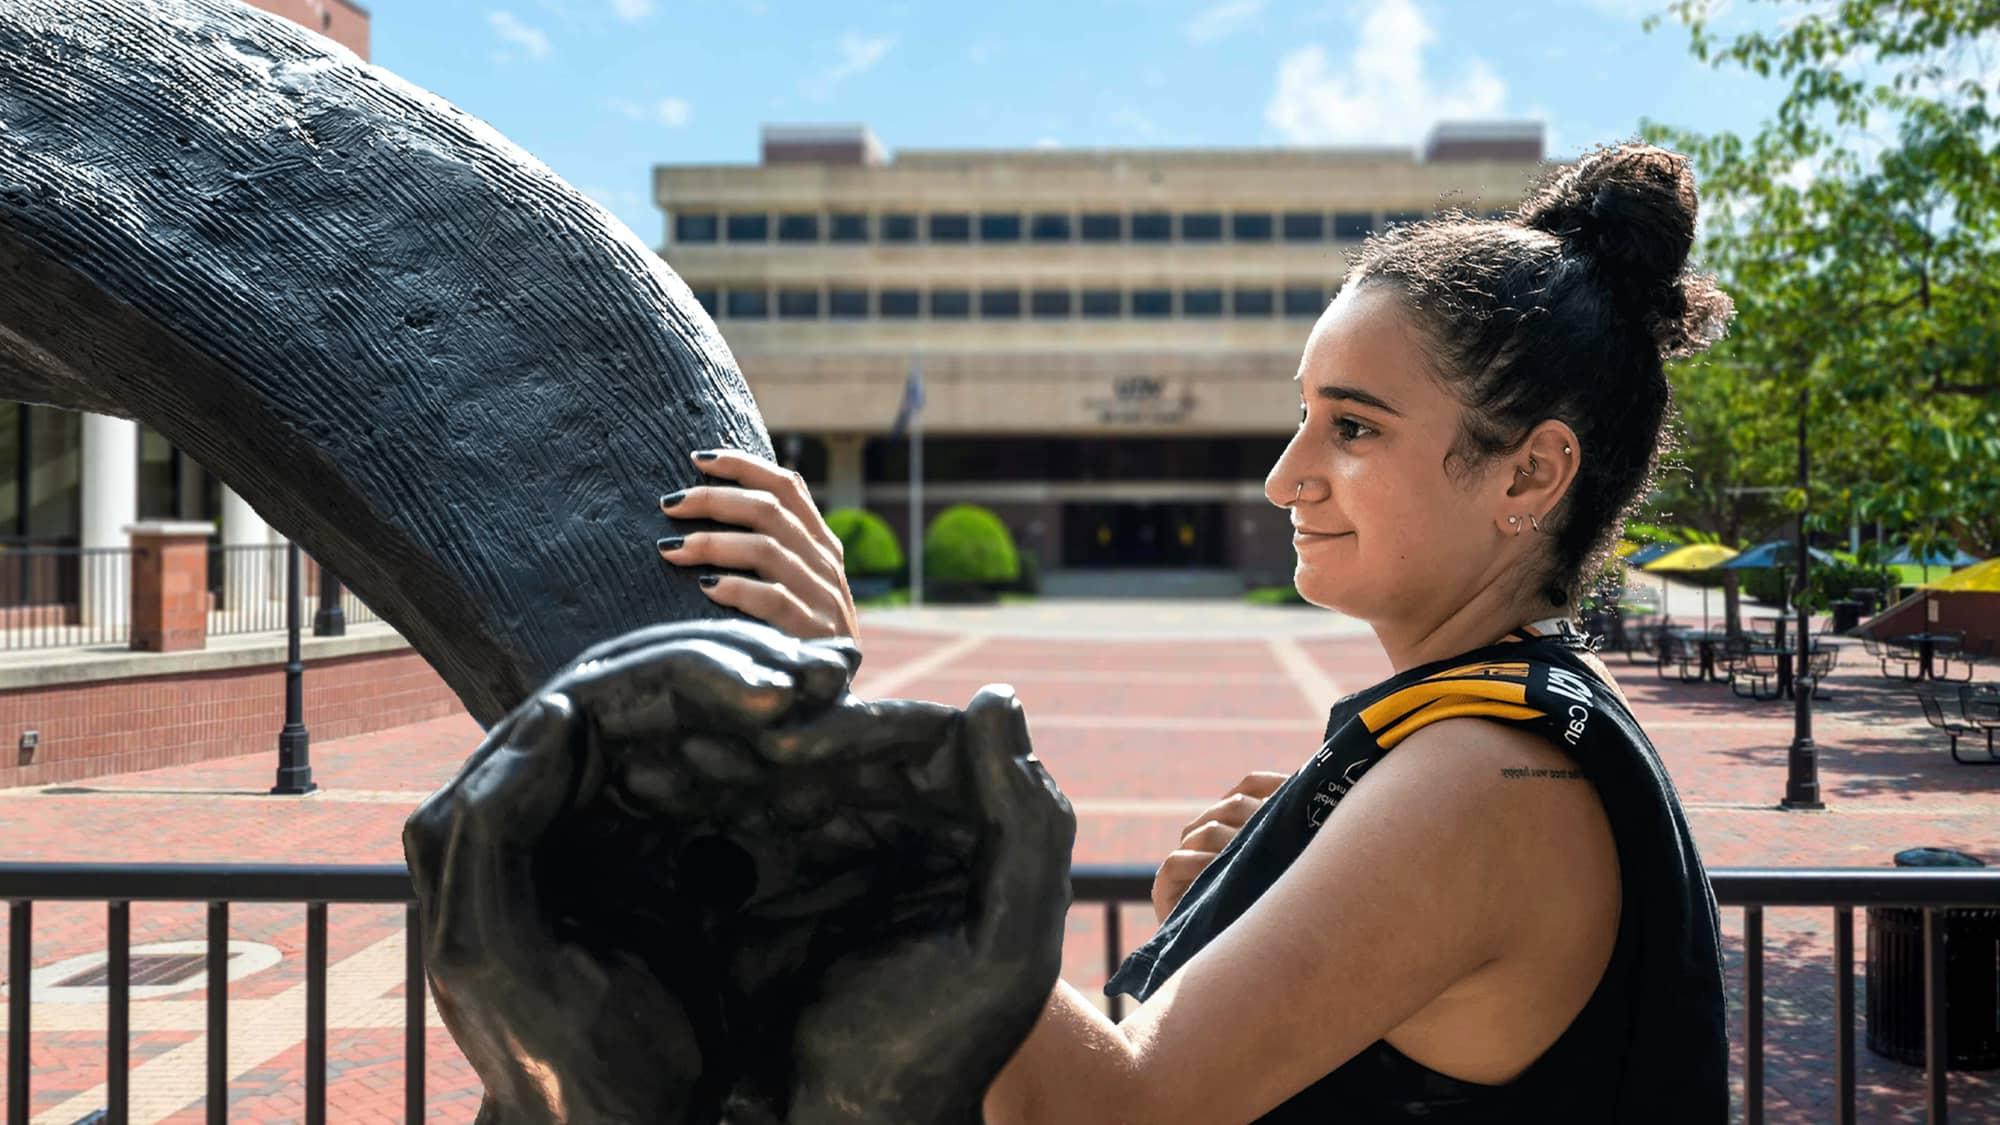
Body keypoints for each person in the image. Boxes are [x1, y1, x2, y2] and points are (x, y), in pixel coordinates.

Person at [656, 141, 1734, 1123]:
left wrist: (840, 748)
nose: (1284, 476)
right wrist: (1228, 934)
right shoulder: (1510, 734)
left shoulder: (1477, 779)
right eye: (1301, 415)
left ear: (1531, 470)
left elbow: (1112, 1110)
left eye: (1352, 426)